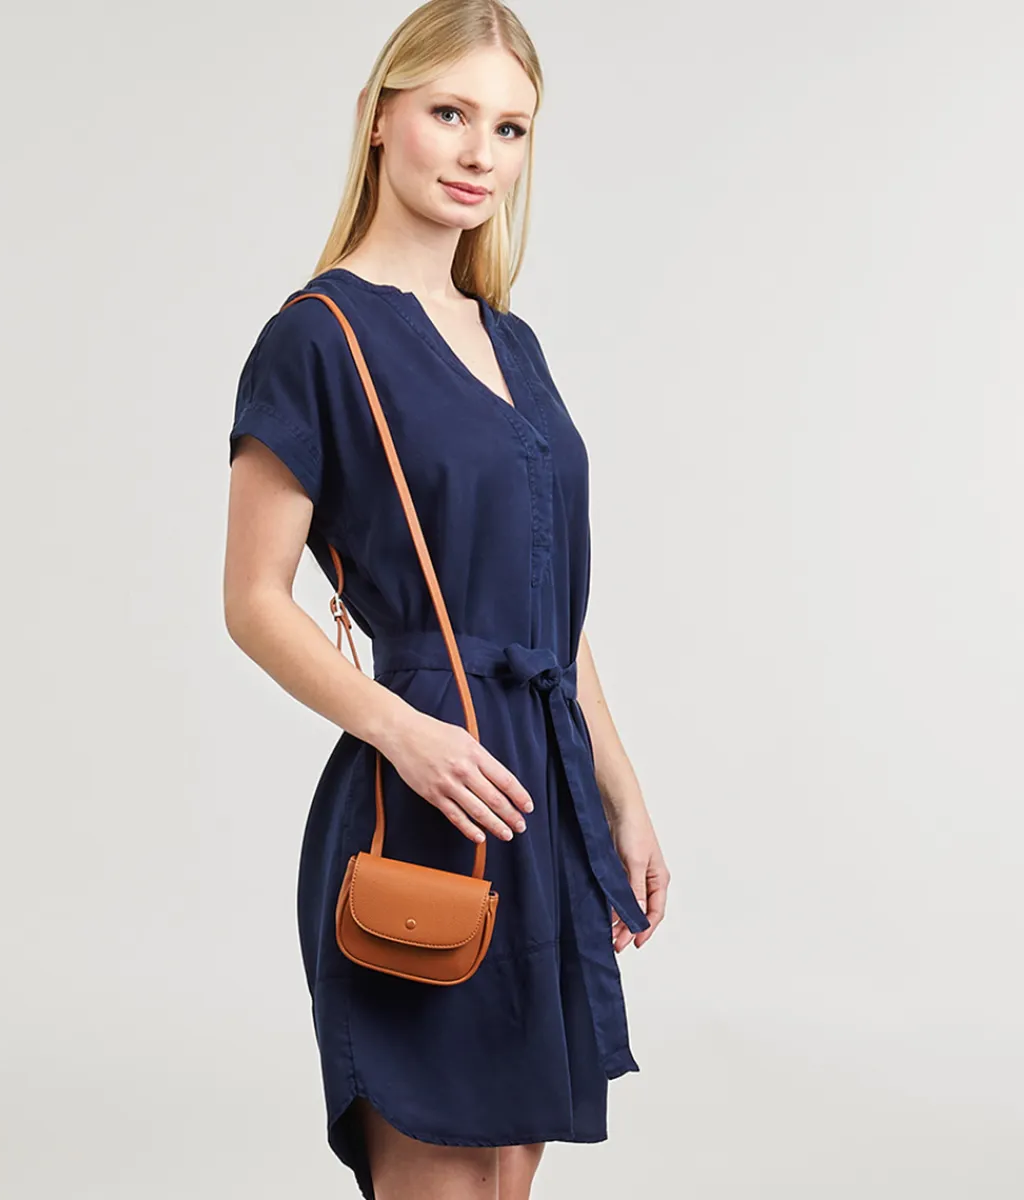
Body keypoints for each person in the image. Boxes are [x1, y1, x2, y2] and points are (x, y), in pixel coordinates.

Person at [223, 2, 670, 1196]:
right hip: (421, 797)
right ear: (382, 120)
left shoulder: (515, 345)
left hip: (541, 803)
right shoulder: (316, 337)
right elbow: (253, 599)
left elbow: (549, 613)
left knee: (507, 1178)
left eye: (510, 128)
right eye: (451, 113)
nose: (481, 153)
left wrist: (622, 796)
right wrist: (401, 731)